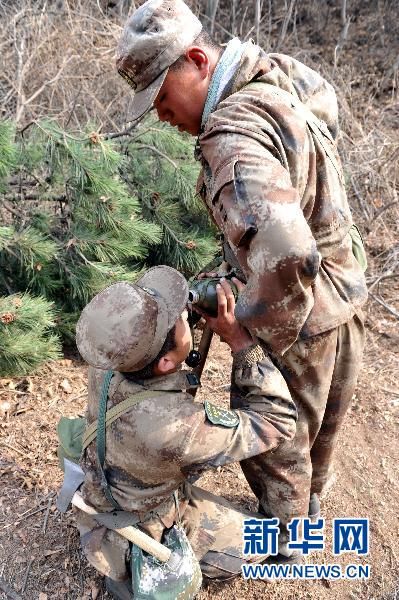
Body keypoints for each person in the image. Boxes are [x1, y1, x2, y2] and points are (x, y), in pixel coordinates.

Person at [116, 0, 368, 560]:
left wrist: (249, 331)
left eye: (161, 96)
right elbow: (327, 113)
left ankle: (285, 542)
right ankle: (308, 512)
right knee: (318, 427)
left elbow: (285, 249)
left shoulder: (230, 136)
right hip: (340, 289)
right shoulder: (276, 74)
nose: (161, 115)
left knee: (278, 433)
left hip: (298, 316)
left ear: (199, 61)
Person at [75, 265, 297, 598]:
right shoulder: (178, 429)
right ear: (165, 362)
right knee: (261, 540)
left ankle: (119, 554)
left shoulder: (110, 357)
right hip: (145, 521)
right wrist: (241, 343)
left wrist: (186, 310)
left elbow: (163, 359)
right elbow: (279, 420)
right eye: (177, 319)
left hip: (107, 490)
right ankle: (136, 563)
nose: (183, 316)